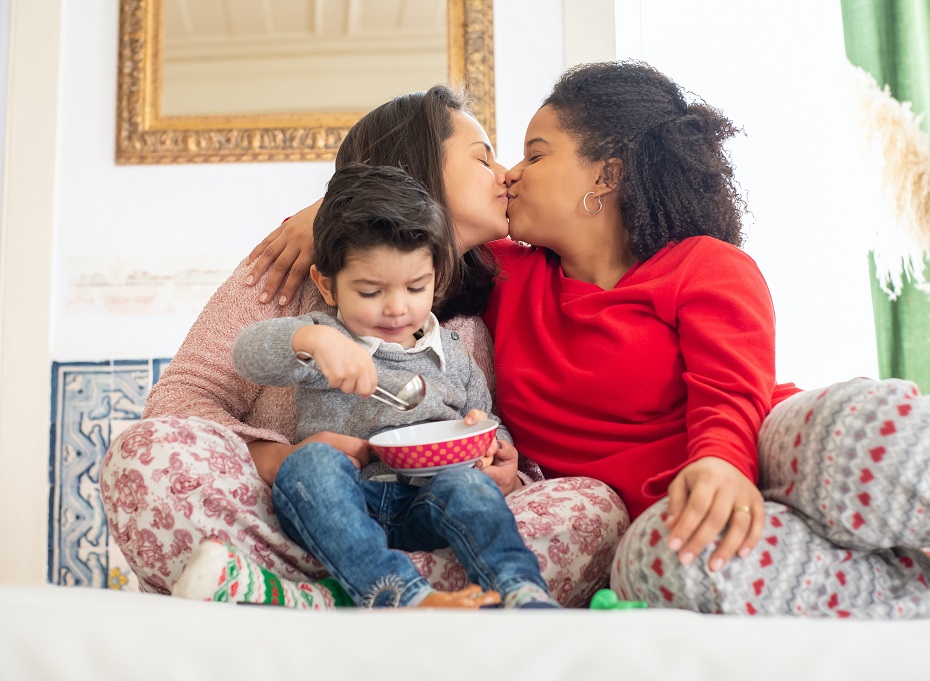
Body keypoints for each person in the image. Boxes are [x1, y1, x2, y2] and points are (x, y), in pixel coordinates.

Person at [248, 61, 930, 618]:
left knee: (855, 422)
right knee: (662, 564)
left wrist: (721, 461)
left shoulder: (705, 268)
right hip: (663, 512)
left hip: (754, 441)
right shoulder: (510, 277)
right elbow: (407, 220)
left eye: (536, 151)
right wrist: (323, 212)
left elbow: (733, 392)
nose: (511, 172)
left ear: (604, 177)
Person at [100, 86, 628, 609]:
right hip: (299, 514)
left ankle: (320, 594)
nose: (506, 172)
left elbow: (485, 426)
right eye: (483, 158)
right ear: (421, 170)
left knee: (593, 509)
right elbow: (180, 401)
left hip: (429, 514)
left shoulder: (484, 305)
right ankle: (387, 589)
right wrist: (279, 458)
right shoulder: (290, 268)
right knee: (143, 456)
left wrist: (505, 468)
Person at [220, 162, 557, 609]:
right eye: (370, 292)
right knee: (310, 466)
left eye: (415, 287)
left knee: (470, 488)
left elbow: (487, 419)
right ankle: (397, 592)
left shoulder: (454, 353)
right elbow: (248, 354)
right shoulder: (327, 341)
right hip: (343, 501)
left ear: (435, 278)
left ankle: (520, 590)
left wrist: (495, 447)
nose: (397, 309)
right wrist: (311, 339)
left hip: (428, 501)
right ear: (327, 284)